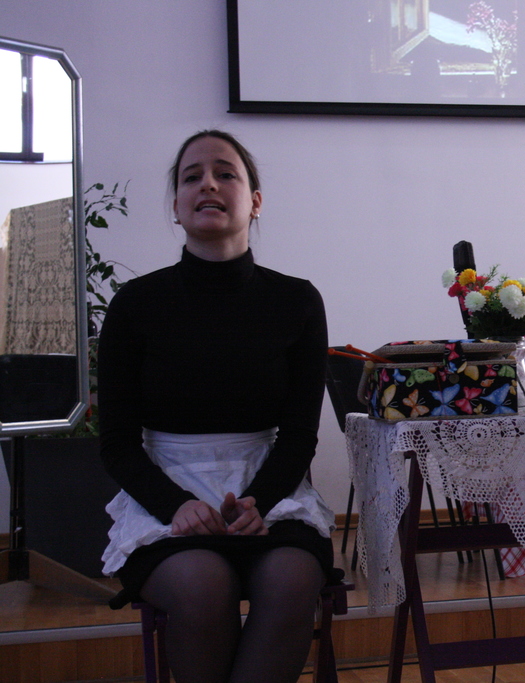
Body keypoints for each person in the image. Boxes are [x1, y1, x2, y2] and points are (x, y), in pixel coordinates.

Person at [98, 130, 335, 683]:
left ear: (255, 202)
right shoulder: (135, 304)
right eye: (192, 176)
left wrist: (260, 501)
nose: (208, 183)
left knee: (293, 579)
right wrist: (175, 505)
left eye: (226, 173)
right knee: (204, 585)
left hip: (267, 491)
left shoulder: (297, 300)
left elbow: (299, 435)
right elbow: (116, 443)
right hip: (167, 491)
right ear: (176, 207)